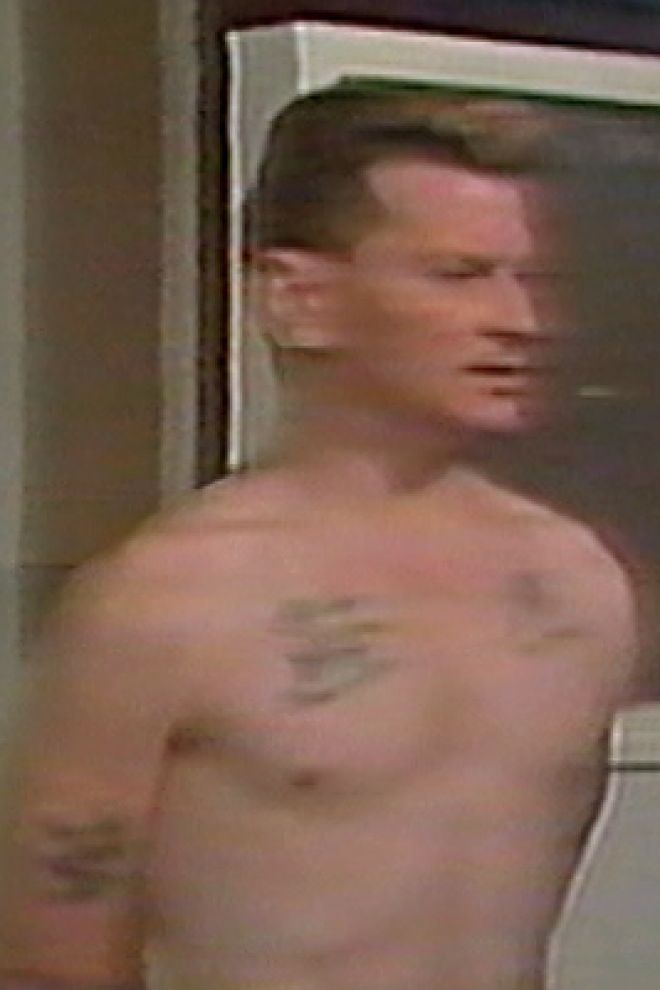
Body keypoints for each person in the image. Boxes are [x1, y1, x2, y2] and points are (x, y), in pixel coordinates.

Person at [0, 84, 646, 990]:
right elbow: (49, 962)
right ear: (300, 299)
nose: (520, 322)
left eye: (532, 281)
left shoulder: (574, 584)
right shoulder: (166, 605)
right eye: (458, 275)